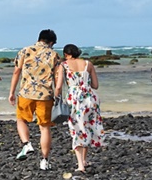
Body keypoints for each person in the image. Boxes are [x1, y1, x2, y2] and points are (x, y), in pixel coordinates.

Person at [8, 30, 62, 170]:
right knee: (45, 128)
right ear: (50, 42)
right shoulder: (54, 55)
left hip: (26, 93)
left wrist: (12, 92)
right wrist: (58, 94)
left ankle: (27, 144)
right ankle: (44, 160)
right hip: (45, 95)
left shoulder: (24, 51)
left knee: (21, 120)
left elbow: (16, 71)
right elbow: (57, 78)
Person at [61, 44, 105, 172]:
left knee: (76, 129)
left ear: (66, 54)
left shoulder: (64, 65)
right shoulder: (88, 64)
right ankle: (84, 160)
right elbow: (95, 85)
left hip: (75, 99)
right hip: (90, 98)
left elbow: (59, 86)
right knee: (87, 127)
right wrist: (84, 83)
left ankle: (80, 165)